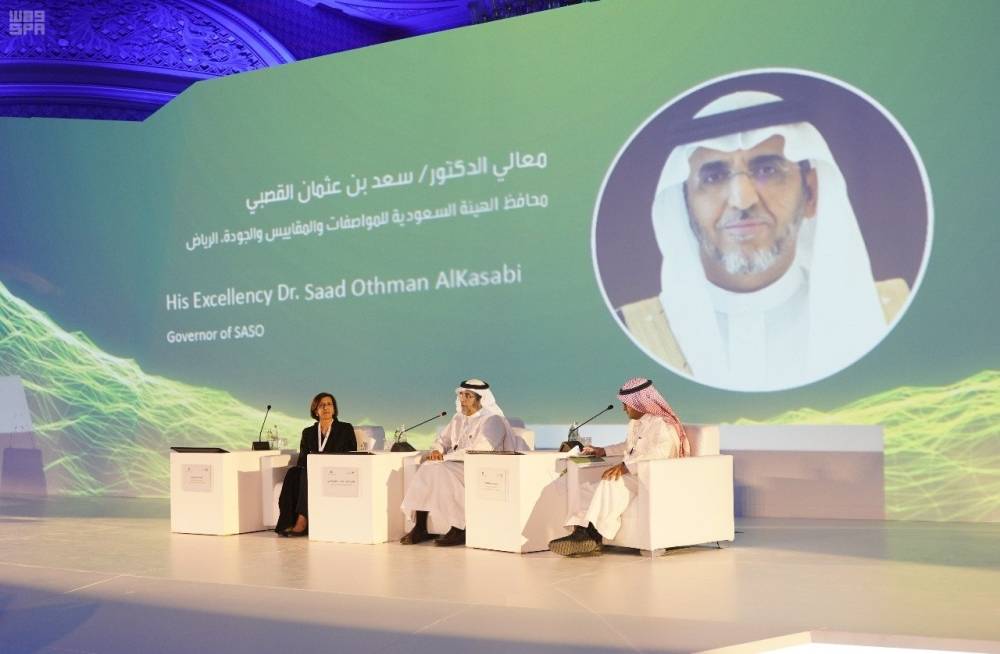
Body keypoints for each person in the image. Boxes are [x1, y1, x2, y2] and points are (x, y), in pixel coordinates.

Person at [619, 91, 910, 391]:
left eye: (767, 170)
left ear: (811, 193)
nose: (742, 200)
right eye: (714, 177)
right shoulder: (635, 332)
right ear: (685, 206)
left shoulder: (891, 313)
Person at [549, 377, 688, 557]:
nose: (624, 408)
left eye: (626, 404)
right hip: (635, 474)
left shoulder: (663, 425)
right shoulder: (636, 423)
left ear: (640, 402)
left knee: (611, 482)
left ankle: (593, 536)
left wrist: (626, 467)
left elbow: (660, 454)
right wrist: (603, 450)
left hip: (652, 476)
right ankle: (580, 532)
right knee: (586, 489)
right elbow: (628, 447)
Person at [399, 379, 513, 546]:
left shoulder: (492, 420)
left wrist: (445, 458)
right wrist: (437, 451)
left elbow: (480, 449)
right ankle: (421, 527)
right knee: (428, 466)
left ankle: (460, 529)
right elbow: (442, 440)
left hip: (481, 466)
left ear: (481, 398)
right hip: (454, 463)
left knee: (441, 470)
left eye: (468, 396)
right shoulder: (458, 418)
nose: (462, 399)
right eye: (461, 394)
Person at [276, 392, 356, 536]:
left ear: (334, 409)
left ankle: (302, 520)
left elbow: (351, 454)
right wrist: (313, 464)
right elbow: (303, 457)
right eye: (322, 405)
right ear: (315, 410)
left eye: (329, 404)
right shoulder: (308, 432)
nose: (326, 408)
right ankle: (286, 522)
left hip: (335, 470)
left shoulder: (345, 429)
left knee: (307, 473)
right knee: (293, 473)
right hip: (311, 469)